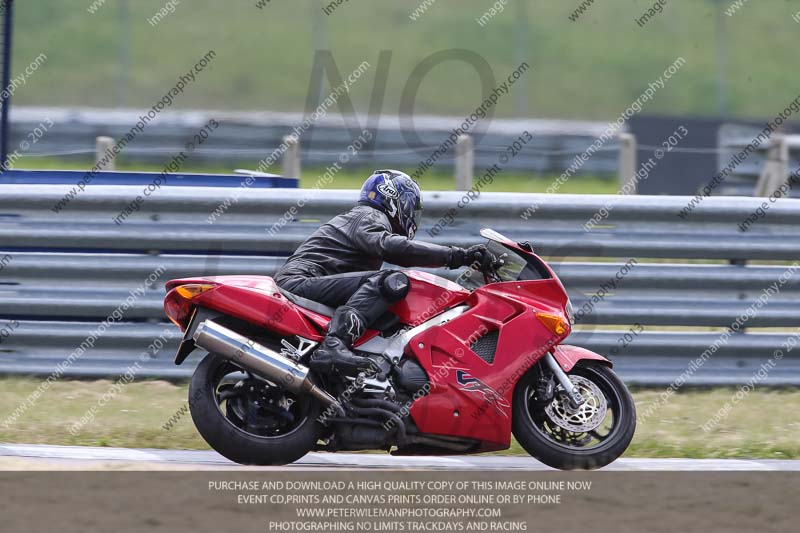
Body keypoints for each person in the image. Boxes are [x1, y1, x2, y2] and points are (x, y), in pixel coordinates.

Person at [274, 169, 495, 376]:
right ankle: (334, 345)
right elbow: (391, 247)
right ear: (394, 199)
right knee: (390, 282)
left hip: (309, 281)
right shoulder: (368, 215)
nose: (412, 215)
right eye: (411, 206)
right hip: (301, 281)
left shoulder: (363, 219)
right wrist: (458, 256)